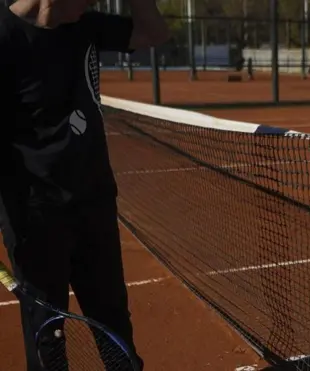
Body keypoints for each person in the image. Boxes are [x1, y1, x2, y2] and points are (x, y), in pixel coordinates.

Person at [0, 0, 169, 369]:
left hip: (94, 205)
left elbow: (154, 33)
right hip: (34, 220)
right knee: (49, 342)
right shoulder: (5, 35)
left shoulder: (86, 24)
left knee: (114, 327)